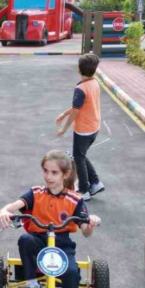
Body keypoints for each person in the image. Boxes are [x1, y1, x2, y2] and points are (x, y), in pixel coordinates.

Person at [0, 150, 101, 288]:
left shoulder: (75, 200)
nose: (49, 177)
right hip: (38, 240)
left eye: (54, 173)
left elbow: (86, 232)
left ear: (65, 174)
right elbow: (16, 205)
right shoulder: (35, 193)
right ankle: (33, 285)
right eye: (46, 171)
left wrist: (91, 223)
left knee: (71, 273)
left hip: (62, 244)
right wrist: (4, 211)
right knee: (25, 239)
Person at [56, 53, 105, 201]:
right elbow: (80, 106)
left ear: (78, 69)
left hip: (83, 130)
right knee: (80, 155)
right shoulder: (94, 83)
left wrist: (64, 128)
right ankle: (95, 182)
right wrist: (64, 113)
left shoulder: (81, 88)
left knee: (78, 158)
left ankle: (84, 190)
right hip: (94, 127)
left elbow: (76, 111)